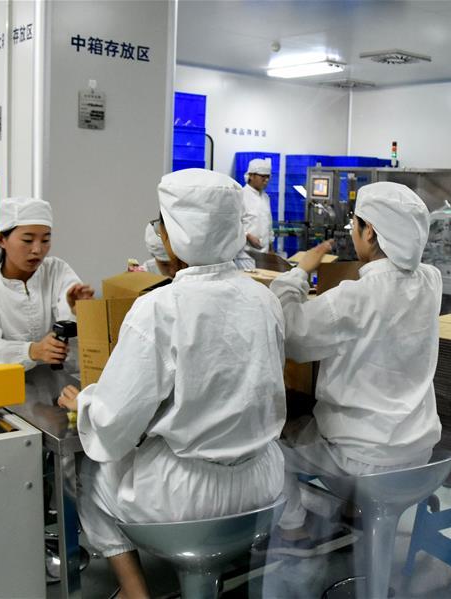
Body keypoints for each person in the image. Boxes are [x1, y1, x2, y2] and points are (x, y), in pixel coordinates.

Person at [57, 169, 287, 598]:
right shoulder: (264, 299)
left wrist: (84, 404)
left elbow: (115, 420)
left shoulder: (159, 308)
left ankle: (135, 592)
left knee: (92, 475)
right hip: (262, 486)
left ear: (171, 234)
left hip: (185, 499)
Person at [268, 181, 443, 551]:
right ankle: (355, 511)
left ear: (371, 232)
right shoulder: (431, 281)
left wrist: (298, 273)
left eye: (355, 224)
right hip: (420, 452)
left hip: (365, 458)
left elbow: (292, 335)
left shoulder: (354, 298)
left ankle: (293, 530)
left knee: (271, 444)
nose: (351, 231)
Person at [0, 196, 94, 402]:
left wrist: (78, 311)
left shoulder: (57, 271)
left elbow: (70, 330)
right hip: (4, 390)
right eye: (28, 240)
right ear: (1, 240)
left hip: (60, 388)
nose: (37, 249)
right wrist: (32, 351)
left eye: (45, 240)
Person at [234, 158, 274, 270]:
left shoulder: (265, 197)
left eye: (268, 177)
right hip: (245, 256)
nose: (266, 180)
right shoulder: (241, 195)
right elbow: (233, 223)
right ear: (251, 176)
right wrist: (247, 235)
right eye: (263, 177)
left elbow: (268, 225)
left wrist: (271, 248)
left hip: (264, 255)